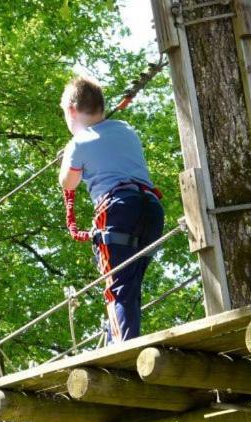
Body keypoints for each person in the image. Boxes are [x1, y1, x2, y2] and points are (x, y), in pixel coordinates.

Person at [59, 76, 165, 343]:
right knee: (128, 284)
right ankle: (116, 337)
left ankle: (121, 347)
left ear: (71, 110)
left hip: (117, 210)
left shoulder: (79, 143)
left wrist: (68, 158)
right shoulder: (126, 129)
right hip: (150, 208)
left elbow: (67, 183)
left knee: (118, 287)